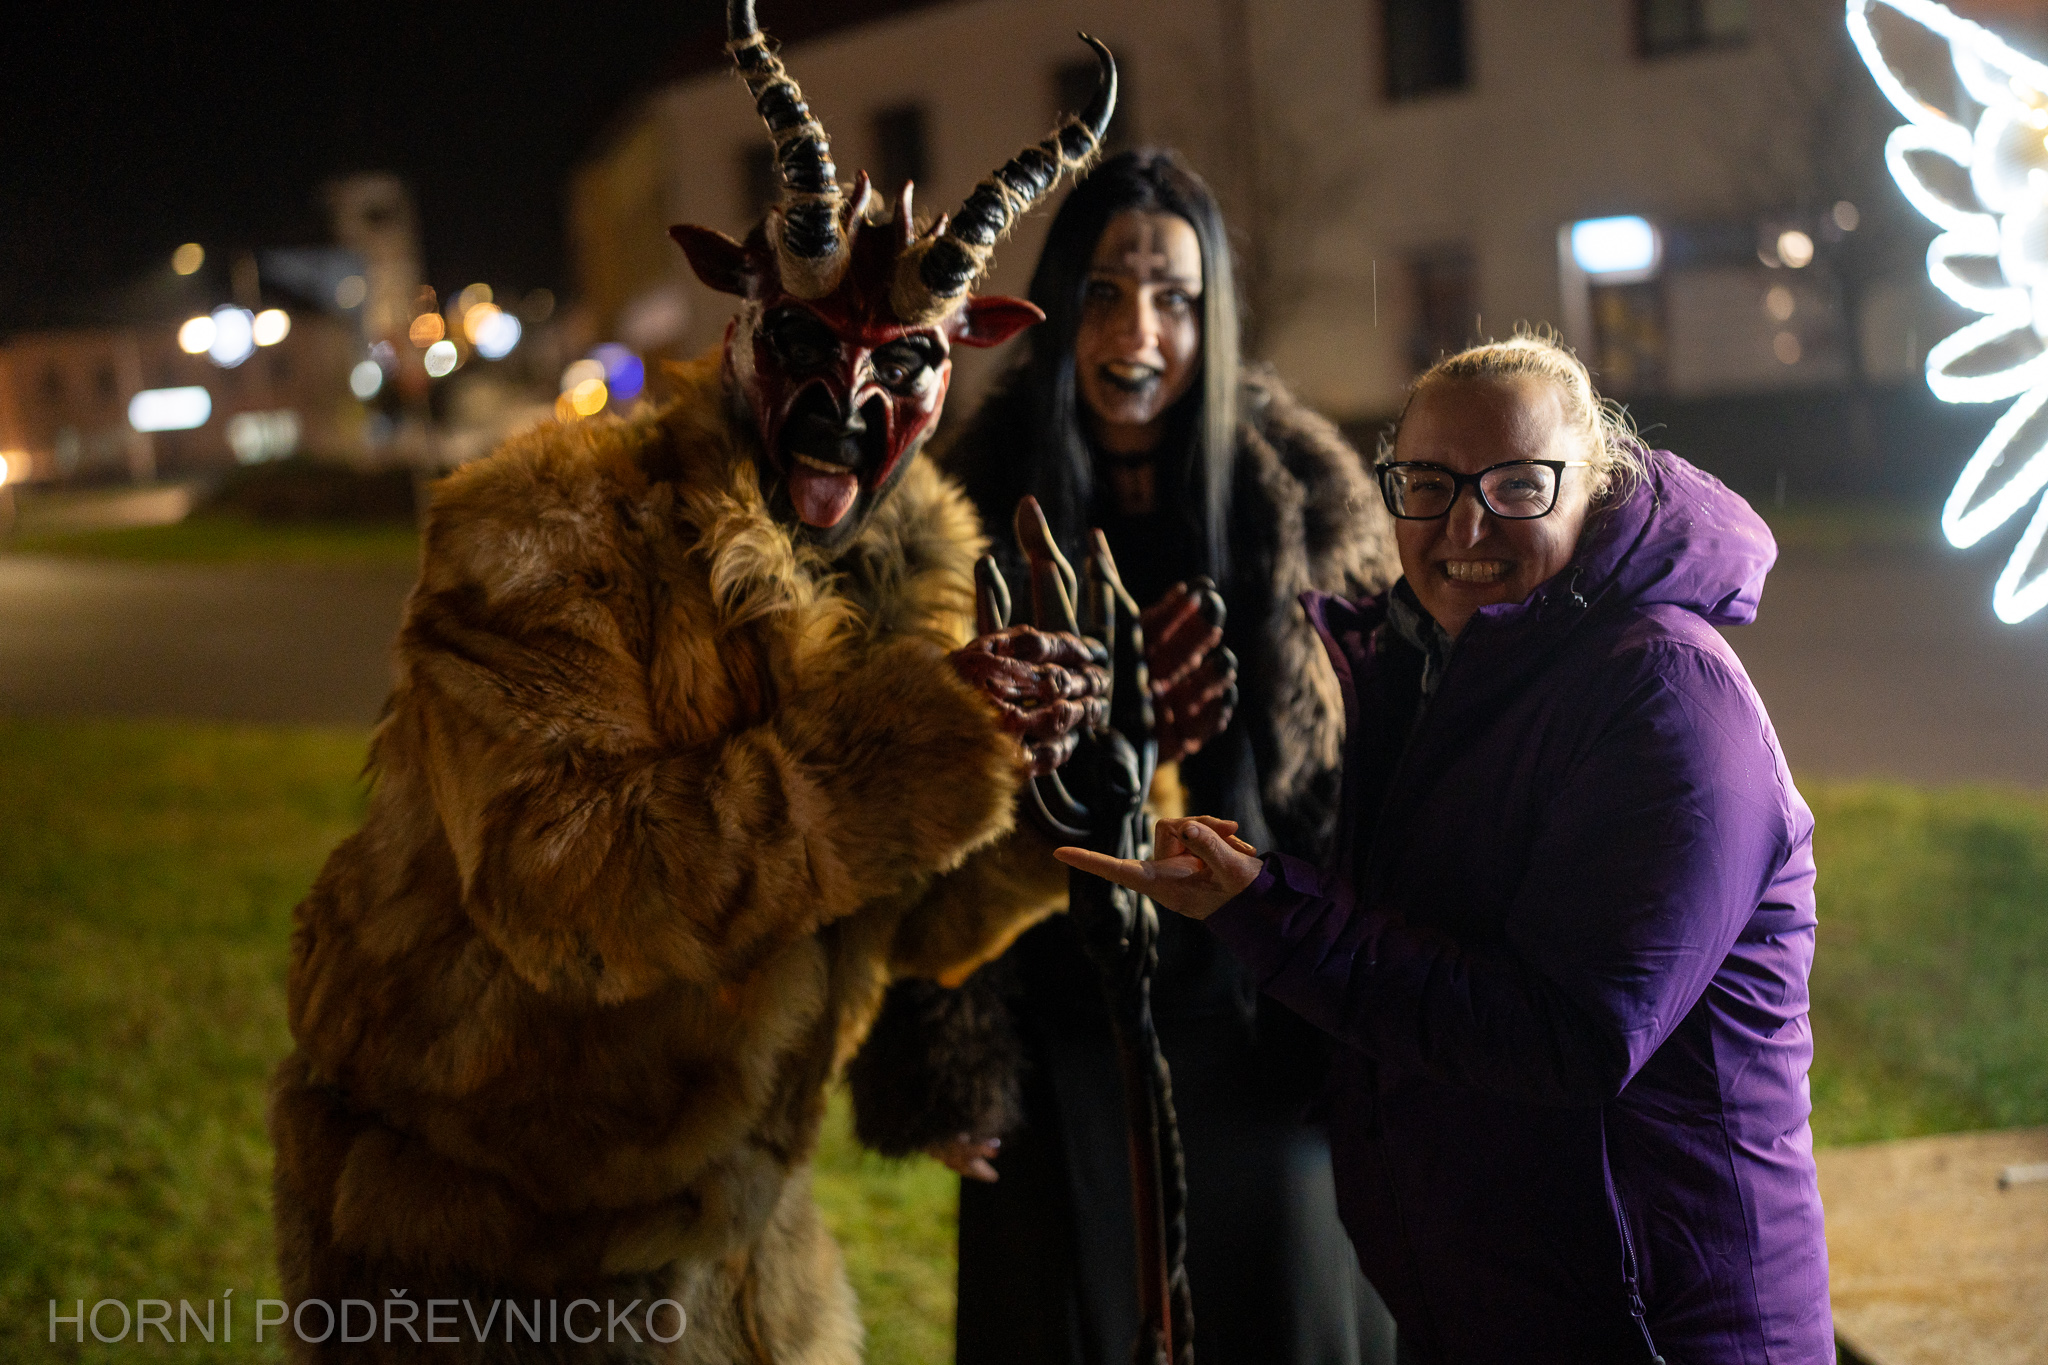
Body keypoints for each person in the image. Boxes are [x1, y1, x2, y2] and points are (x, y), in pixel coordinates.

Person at [267, 9, 1120, 1361]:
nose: (846, 403)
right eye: (805, 351)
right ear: (737, 323)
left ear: (958, 364)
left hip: (734, 1252)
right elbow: (565, 894)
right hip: (482, 1243)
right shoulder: (545, 533)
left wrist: (1064, 777)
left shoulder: (912, 590)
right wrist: (914, 746)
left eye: (900, 367)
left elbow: (885, 922)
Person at [1059, 334, 1835, 1364]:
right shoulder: (1433, 667)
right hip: (1488, 1309)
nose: (1463, 526)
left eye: (1516, 484)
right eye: (1426, 484)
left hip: (1658, 1327)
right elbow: (1416, 951)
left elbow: (1573, 1033)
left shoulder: (1664, 692)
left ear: (1592, 487)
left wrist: (1273, 915)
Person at [848, 149, 1402, 1365]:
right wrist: (940, 1055)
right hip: (1052, 1035)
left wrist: (1373, 1019)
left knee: (1290, 1321)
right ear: (1053, 306)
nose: (1136, 330)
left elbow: (1370, 795)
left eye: (1173, 297)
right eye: (1101, 291)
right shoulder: (959, 509)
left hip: (1265, 1032)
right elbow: (899, 812)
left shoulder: (1307, 506)